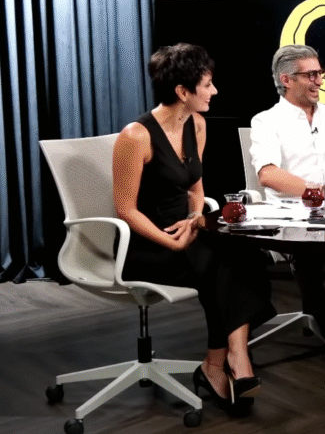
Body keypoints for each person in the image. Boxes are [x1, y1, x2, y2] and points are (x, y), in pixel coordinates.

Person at [113, 43, 275, 410]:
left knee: (244, 253)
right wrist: (171, 241)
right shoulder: (135, 136)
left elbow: (195, 188)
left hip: (187, 233)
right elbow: (125, 210)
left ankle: (224, 360)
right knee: (223, 265)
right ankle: (229, 361)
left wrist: (194, 219)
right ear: (182, 92)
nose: (214, 91)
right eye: (207, 85)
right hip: (146, 245)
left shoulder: (197, 124)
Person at [249, 44, 325, 343]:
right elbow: (268, 175)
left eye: (320, 73)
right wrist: (320, 190)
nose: (319, 81)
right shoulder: (266, 121)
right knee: (306, 248)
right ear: (286, 80)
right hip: (291, 215)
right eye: (310, 75)